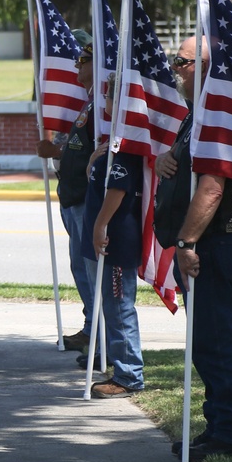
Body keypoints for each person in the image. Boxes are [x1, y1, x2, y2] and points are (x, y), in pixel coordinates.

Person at [155, 36, 232, 462]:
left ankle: (229, 432)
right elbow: (190, 170)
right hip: (208, 248)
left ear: (206, 68)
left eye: (183, 61)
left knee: (216, 344)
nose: (175, 67)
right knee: (209, 344)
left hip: (212, 247)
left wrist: (186, 242)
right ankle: (221, 425)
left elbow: (211, 188)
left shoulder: (216, 117)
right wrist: (164, 160)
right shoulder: (198, 116)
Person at [83, 73, 144, 397]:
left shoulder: (127, 141)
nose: (104, 99)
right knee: (110, 304)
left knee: (120, 306)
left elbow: (118, 188)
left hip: (117, 238)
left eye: (108, 94)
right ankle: (121, 369)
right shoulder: (114, 140)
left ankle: (129, 375)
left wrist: (99, 225)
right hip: (109, 236)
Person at [34, 29, 96, 352]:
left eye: (83, 60)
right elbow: (77, 149)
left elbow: (97, 150)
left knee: (89, 268)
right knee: (79, 266)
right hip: (72, 199)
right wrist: (55, 151)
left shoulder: (99, 105)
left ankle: (99, 334)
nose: (76, 66)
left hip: (87, 200)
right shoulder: (87, 103)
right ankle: (91, 328)